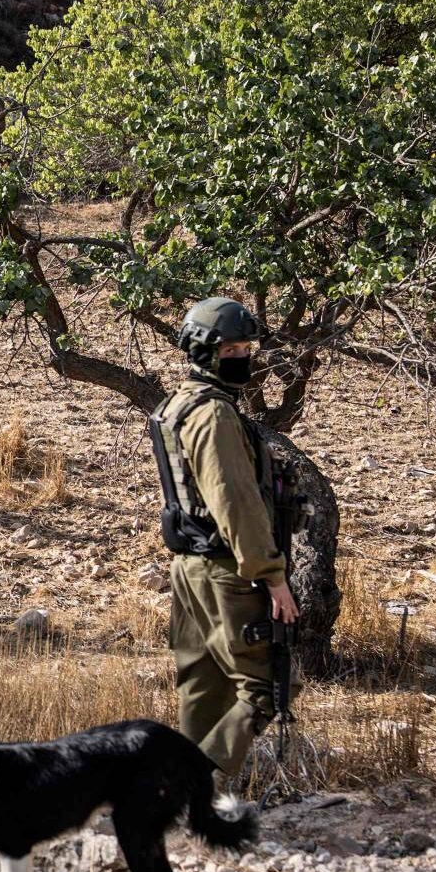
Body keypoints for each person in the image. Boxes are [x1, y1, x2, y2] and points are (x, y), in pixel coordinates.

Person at [146, 297, 300, 786]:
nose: (244, 357)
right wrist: (272, 576)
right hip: (223, 570)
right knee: (264, 689)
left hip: (189, 569)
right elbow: (235, 502)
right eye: (233, 348)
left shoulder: (176, 403)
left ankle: (183, 797)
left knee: (202, 686)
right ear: (205, 352)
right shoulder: (213, 415)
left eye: (245, 347)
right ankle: (191, 787)